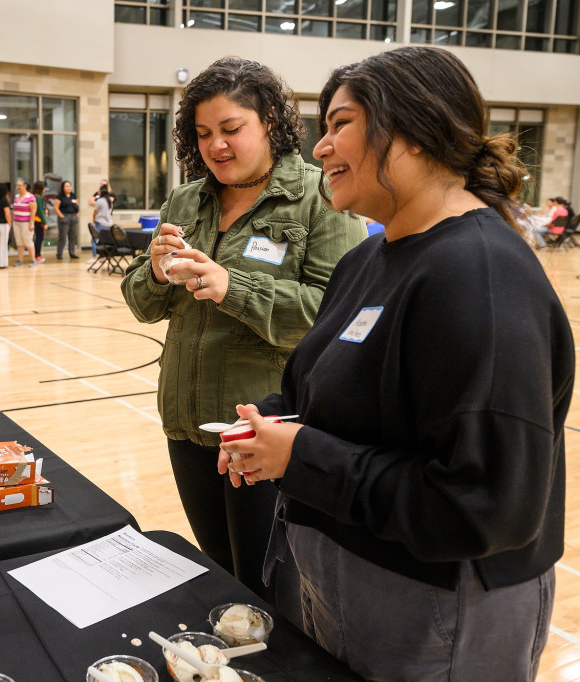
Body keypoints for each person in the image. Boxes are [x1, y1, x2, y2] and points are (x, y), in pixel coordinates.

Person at [217, 46, 572, 681]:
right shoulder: (366, 260)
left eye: (340, 124)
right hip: (345, 585)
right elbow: (310, 391)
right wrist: (263, 428)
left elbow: (485, 507)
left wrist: (304, 458)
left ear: (413, 131)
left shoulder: (479, 276)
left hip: (442, 607)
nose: (319, 147)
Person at [120, 57, 364, 613]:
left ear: (272, 121)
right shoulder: (187, 200)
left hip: (264, 431)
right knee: (223, 576)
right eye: (204, 133)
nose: (216, 146)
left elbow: (333, 319)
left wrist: (233, 286)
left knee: (274, 591)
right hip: (187, 423)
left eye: (232, 129)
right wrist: (155, 271)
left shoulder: (320, 197)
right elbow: (139, 303)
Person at [11, 178, 41, 266]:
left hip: (26, 223)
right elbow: (14, 209)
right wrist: (12, 219)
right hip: (16, 222)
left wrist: (31, 223)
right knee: (19, 241)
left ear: (25, 186)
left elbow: (33, 211)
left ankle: (33, 260)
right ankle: (20, 260)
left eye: (19, 185)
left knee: (28, 240)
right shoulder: (16, 197)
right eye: (17, 185)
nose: (18, 187)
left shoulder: (30, 197)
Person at [54, 179, 80, 260]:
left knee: (72, 236)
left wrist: (77, 215)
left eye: (69, 186)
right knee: (63, 236)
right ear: (63, 187)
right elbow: (56, 208)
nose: (68, 188)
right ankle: (59, 253)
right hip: (64, 216)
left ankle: (72, 253)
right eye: (67, 186)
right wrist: (61, 216)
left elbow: (77, 206)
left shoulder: (73, 195)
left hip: (73, 216)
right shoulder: (59, 197)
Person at [91, 185, 114, 259]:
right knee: (105, 241)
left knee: (94, 240)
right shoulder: (110, 201)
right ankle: (104, 257)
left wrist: (94, 220)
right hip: (108, 224)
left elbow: (95, 212)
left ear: (101, 192)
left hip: (100, 223)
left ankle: (94, 257)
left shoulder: (100, 201)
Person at [31, 180, 48, 263]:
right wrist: (45, 222)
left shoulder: (33, 196)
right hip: (38, 220)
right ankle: (37, 255)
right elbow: (40, 211)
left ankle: (37, 254)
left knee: (38, 238)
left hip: (34, 220)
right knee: (39, 238)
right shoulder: (38, 197)